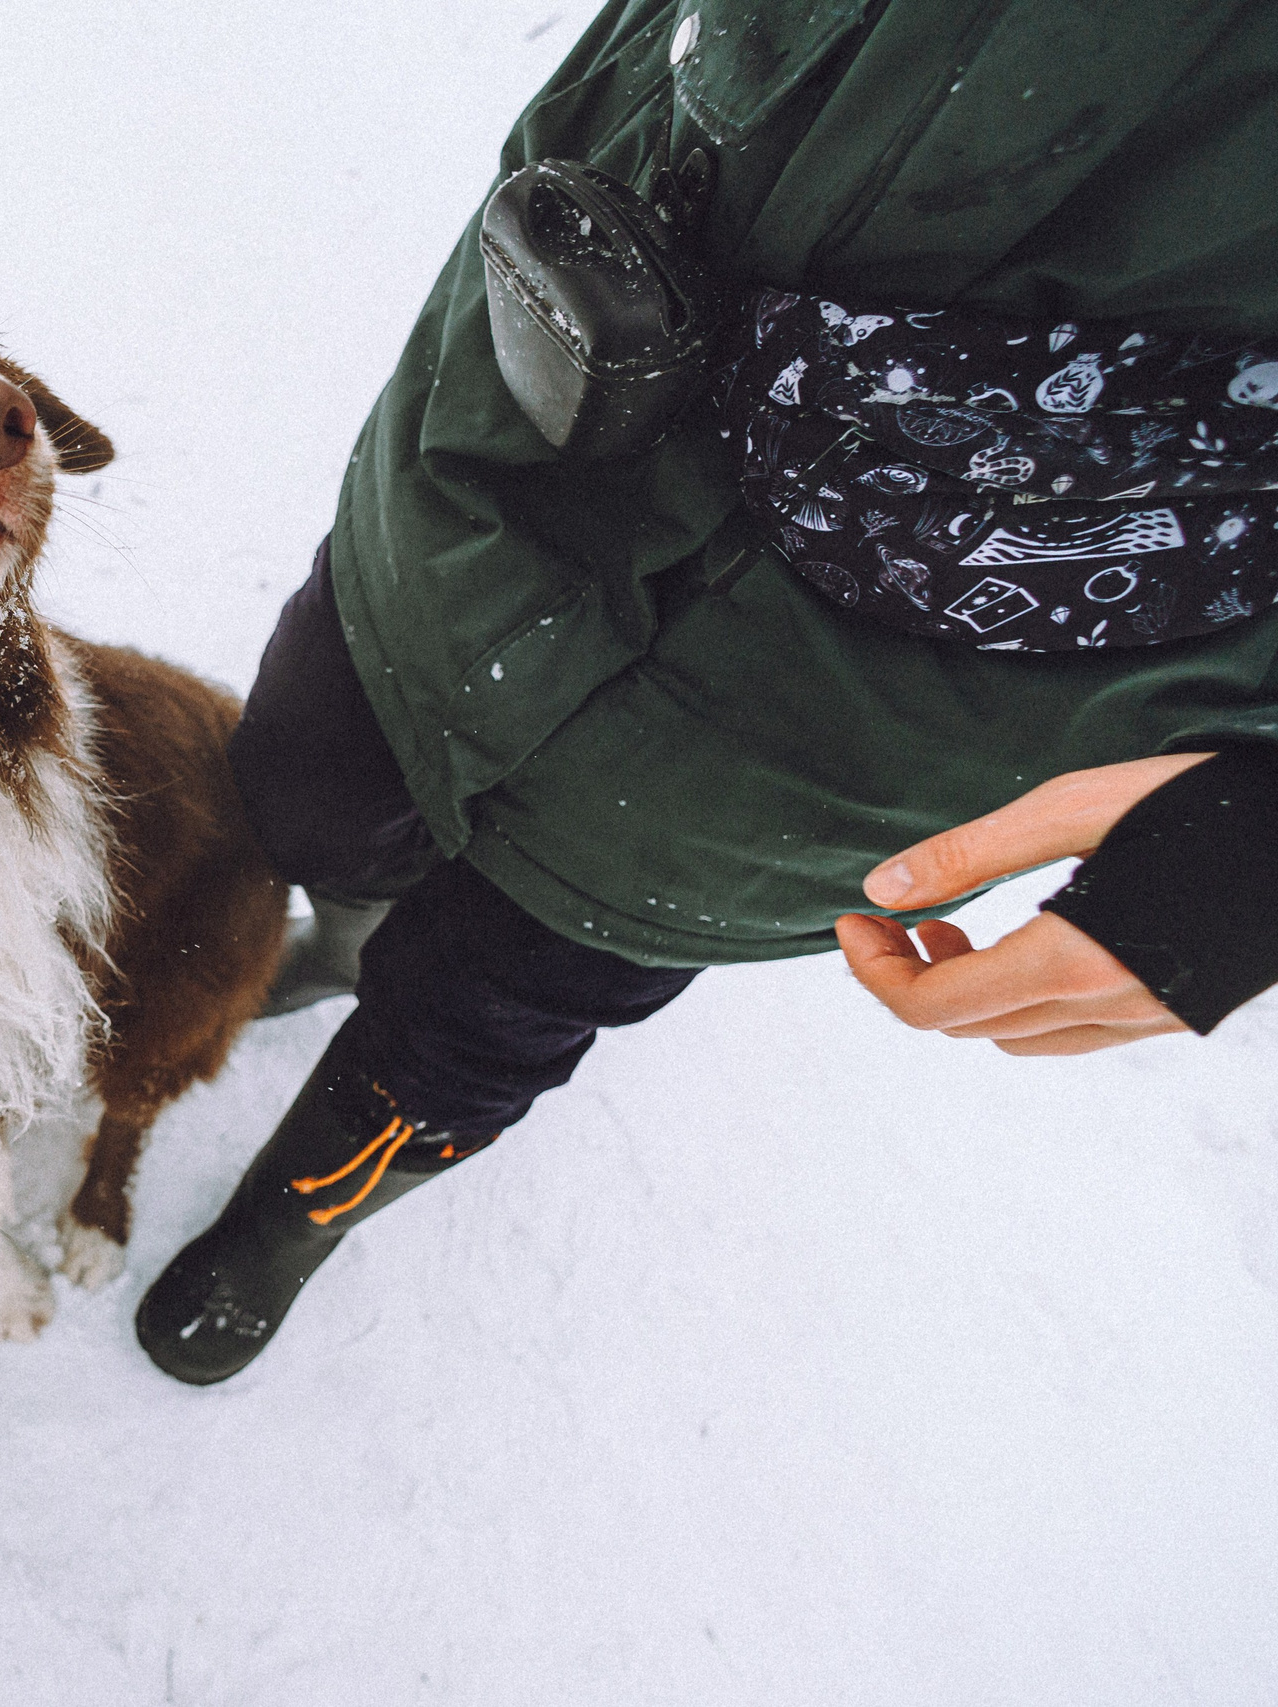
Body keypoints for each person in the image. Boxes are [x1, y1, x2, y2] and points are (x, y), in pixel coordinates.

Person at [135, 0, 1278, 1385]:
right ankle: (340, 930)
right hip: (538, 410)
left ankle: (297, 1215)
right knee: (307, 784)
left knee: (480, 1023)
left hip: (883, 724)